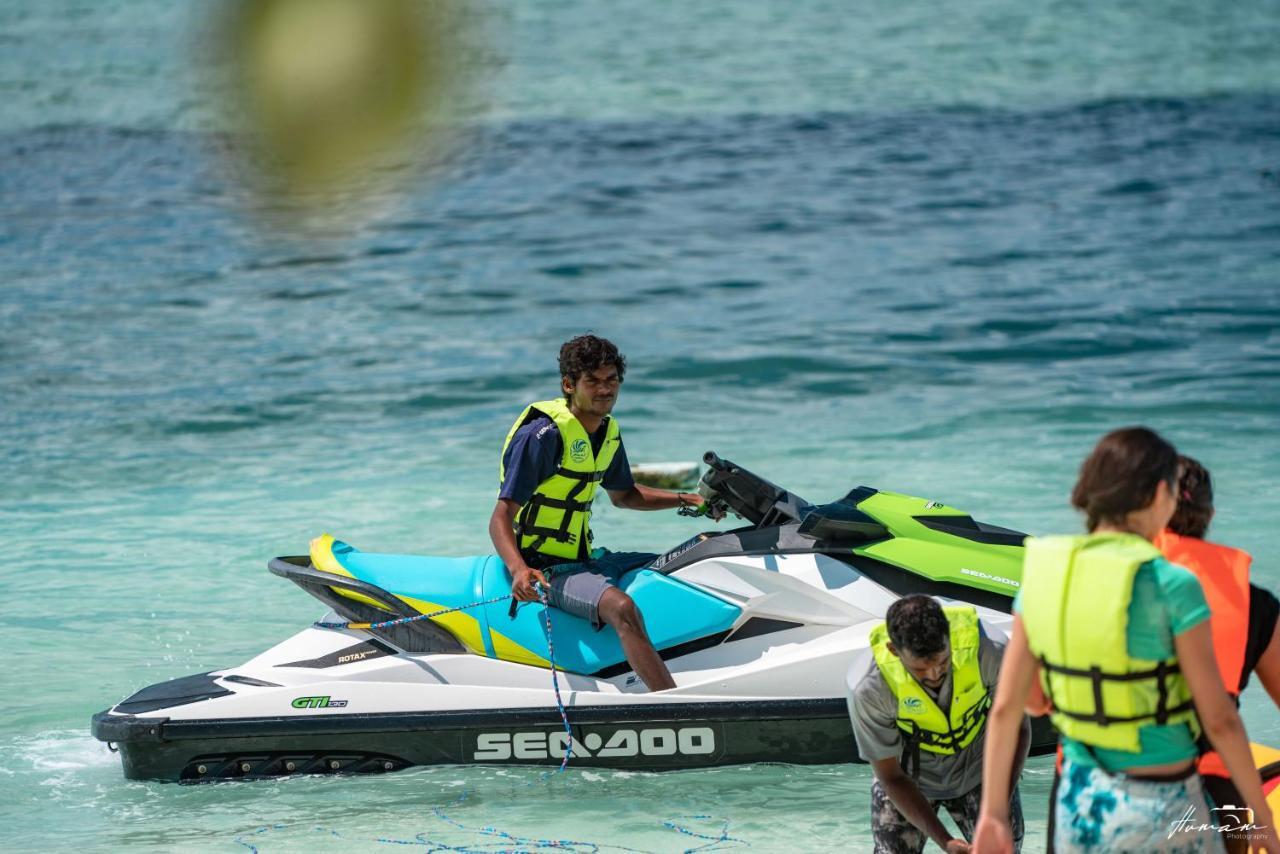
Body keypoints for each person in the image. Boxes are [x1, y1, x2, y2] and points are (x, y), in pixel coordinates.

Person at [974, 427, 1280, 854]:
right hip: (1163, 806)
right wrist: (1261, 820)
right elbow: (1220, 721)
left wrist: (992, 815)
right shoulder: (1174, 585)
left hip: (1080, 803)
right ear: (1159, 495)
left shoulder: (1043, 576)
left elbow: (1011, 707)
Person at [489, 334, 714, 691]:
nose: (604, 389)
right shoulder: (542, 436)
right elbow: (500, 516)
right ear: (569, 385)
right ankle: (672, 705)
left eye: (611, 380)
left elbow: (625, 495)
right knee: (621, 608)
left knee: (692, 561)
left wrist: (689, 499)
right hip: (545, 569)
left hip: (588, 558)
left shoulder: (607, 431)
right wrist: (519, 570)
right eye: (592, 381)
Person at [1157, 456, 1280, 853]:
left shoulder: (1109, 585)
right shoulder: (1253, 603)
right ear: (1209, 513)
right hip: (1211, 790)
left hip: (1105, 789)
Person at [848, 594, 1030, 853]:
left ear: (950, 636)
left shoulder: (992, 650)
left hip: (981, 771)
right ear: (894, 650)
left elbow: (1019, 730)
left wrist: (997, 812)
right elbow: (889, 775)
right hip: (907, 779)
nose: (934, 675)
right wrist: (946, 842)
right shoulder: (868, 687)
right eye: (921, 669)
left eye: (943, 663)